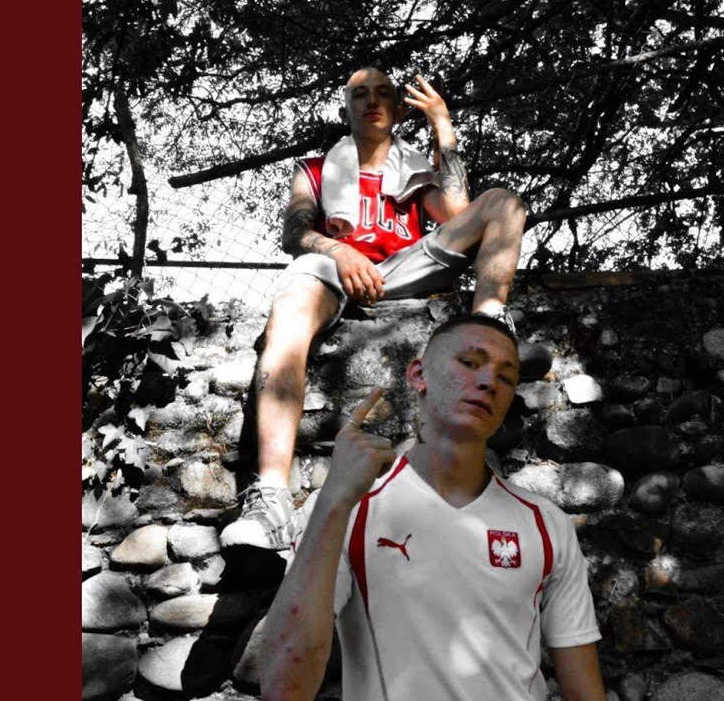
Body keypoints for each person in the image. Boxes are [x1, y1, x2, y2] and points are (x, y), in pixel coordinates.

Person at [222, 66, 532, 551]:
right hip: (336, 269)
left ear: (398, 110)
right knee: (289, 308)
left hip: (404, 268)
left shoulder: (413, 168)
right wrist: (341, 252)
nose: (372, 101)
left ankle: (489, 322)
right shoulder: (315, 169)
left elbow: (457, 214)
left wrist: (442, 124)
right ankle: (271, 501)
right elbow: (295, 234)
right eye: (360, 94)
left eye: (384, 93)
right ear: (344, 108)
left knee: (504, 204)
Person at [258, 315, 605, 701]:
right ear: (419, 374)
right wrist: (334, 501)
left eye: (506, 377)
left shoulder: (547, 524)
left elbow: (585, 693)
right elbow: (283, 687)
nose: (489, 381)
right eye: (470, 362)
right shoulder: (348, 509)